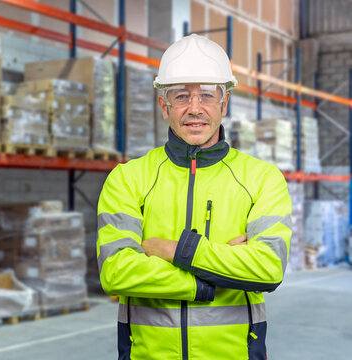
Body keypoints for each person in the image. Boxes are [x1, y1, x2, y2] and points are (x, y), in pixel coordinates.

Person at [97, 33, 292, 360]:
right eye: (182, 96)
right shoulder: (128, 179)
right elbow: (116, 271)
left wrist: (170, 250)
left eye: (206, 95)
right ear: (164, 105)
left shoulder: (262, 179)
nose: (195, 108)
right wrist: (208, 283)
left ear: (224, 103)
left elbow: (268, 268)